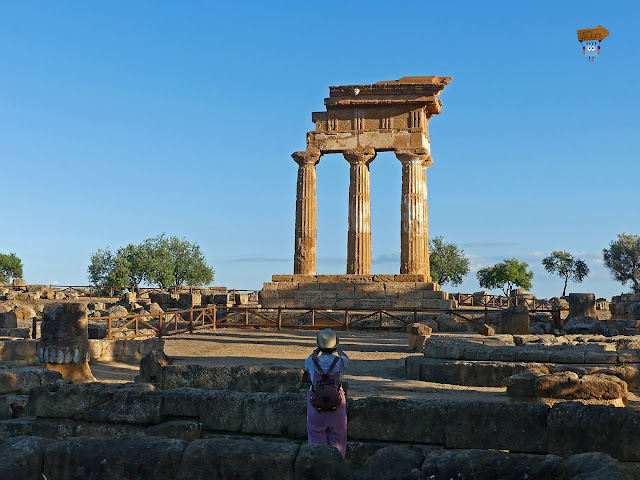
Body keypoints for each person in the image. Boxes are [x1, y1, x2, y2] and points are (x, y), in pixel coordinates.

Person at [304, 328, 350, 458]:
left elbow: (308, 361)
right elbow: (345, 358)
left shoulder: (311, 362)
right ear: (335, 345)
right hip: (337, 404)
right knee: (338, 440)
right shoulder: (341, 362)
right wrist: (338, 349)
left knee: (315, 440)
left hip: (315, 403)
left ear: (319, 345)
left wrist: (316, 351)